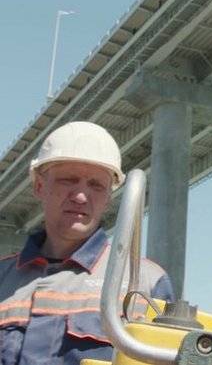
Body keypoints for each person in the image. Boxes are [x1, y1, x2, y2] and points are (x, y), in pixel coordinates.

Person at [0, 121, 175, 365]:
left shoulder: (145, 281)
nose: (81, 196)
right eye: (68, 180)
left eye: (96, 185)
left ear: (108, 197)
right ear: (39, 186)